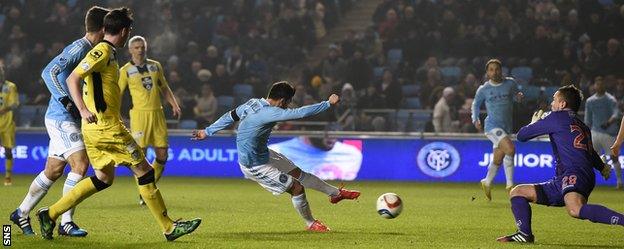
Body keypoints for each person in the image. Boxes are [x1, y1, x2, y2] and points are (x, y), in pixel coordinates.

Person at [35, 8, 201, 241]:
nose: (129, 35)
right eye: (129, 31)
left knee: (103, 178)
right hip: (106, 128)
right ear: (123, 32)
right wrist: (82, 110)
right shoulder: (102, 51)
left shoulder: (107, 52)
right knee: (145, 171)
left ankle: (50, 214)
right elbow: (73, 78)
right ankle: (169, 227)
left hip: (97, 128)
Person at [192, 81, 360, 232]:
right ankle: (311, 224)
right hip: (254, 165)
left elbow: (230, 116)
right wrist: (328, 104)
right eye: (288, 102)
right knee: (296, 187)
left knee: (299, 174)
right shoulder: (272, 112)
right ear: (282, 101)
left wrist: (207, 131)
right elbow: (301, 113)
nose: (288, 106)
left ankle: (335, 194)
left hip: (263, 154)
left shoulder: (252, 103)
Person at [9, 6, 109, 237]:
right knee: (81, 165)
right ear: (103, 28)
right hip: (62, 118)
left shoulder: (95, 50)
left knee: (53, 171)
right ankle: (66, 222)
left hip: (68, 118)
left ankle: (21, 213)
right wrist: (67, 101)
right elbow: (49, 71)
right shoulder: (80, 47)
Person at [498, 85, 623, 243]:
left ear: (562, 104)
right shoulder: (582, 126)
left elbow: (522, 136)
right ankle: (524, 234)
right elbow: (589, 153)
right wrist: (602, 167)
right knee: (518, 192)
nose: (551, 103)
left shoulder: (555, 118)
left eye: (554, 100)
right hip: (568, 177)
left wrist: (533, 122)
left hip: (574, 174)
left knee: (575, 209)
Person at [118, 35, 182, 205]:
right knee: (141, 157)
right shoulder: (125, 70)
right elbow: (117, 94)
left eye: (142, 47)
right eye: (137, 47)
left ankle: (149, 186)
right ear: (130, 50)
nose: (140, 50)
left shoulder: (155, 66)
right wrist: (116, 115)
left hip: (158, 114)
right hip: (139, 116)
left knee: (162, 154)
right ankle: (144, 193)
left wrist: (174, 104)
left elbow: (164, 87)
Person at [472, 59, 523, 200]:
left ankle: (487, 182)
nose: (494, 72)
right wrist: (475, 118)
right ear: (487, 72)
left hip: (507, 126)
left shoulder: (510, 83)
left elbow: (516, 95)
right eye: (491, 69)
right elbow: (476, 104)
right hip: (492, 126)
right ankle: (510, 185)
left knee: (498, 158)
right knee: (511, 149)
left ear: (501, 71)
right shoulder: (484, 89)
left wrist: (519, 97)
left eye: (497, 69)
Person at [584, 76, 621, 189]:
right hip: (595, 132)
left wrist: (609, 122)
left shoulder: (610, 99)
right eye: (597, 84)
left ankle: (619, 182)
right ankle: (586, 182)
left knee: (614, 157)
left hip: (609, 133)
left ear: (604, 86)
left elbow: (616, 113)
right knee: (589, 158)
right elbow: (587, 119)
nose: (599, 86)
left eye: (601, 84)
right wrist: (586, 132)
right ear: (595, 86)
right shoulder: (590, 101)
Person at [0, 65, 19, 186]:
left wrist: (3, 110)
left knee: (8, 150)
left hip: (7, 122)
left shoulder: (10, 86)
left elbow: (15, 104)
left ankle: (8, 176)